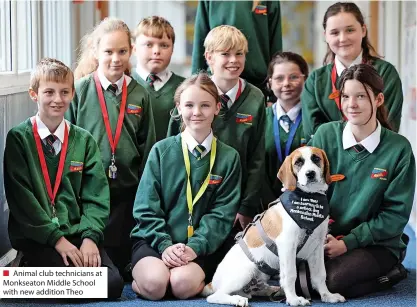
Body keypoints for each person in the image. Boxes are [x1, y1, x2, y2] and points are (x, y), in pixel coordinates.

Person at [3, 58, 124, 299]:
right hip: (39, 237)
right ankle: (21, 271)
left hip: (78, 233)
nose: (57, 99)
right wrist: (57, 240)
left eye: (64, 92)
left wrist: (90, 238)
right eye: (49, 92)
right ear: (34, 94)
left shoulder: (84, 140)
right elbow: (23, 202)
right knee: (69, 276)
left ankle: (23, 283)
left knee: (113, 284)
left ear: (72, 93)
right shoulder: (19, 138)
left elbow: (96, 196)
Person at [130, 72, 242, 300]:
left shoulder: (230, 157)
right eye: (189, 105)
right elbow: (145, 208)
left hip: (202, 245)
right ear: (179, 108)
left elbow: (222, 214)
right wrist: (164, 245)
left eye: (205, 105)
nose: (197, 112)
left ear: (217, 108)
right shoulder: (161, 151)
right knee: (155, 285)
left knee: (181, 286)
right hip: (155, 240)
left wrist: (195, 247)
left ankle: (184, 275)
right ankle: (141, 280)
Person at [310, 64, 415, 298]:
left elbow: (395, 215)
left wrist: (347, 243)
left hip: (376, 243)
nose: (351, 105)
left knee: (331, 282)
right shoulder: (325, 135)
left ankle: (393, 272)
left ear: (378, 100)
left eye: (360, 96)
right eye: (346, 96)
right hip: (325, 237)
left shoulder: (399, 149)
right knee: (295, 277)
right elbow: (309, 193)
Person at [66, 17, 156, 280]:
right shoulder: (80, 91)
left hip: (126, 193)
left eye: (122, 51)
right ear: (96, 52)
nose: (116, 59)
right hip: (87, 193)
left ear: (131, 51)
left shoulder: (140, 94)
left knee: (121, 267)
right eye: (108, 51)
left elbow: (148, 146)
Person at [169, 25, 265, 231]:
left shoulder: (256, 97)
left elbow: (257, 157)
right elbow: (172, 151)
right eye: (225, 54)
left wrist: (246, 206)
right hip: (194, 198)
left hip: (236, 203)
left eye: (239, 54)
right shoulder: (191, 94)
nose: (234, 60)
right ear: (209, 57)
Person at [302, 2, 403, 142]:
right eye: (335, 32)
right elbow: (313, 135)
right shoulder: (315, 81)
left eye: (350, 30)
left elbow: (388, 127)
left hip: (376, 159)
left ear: (363, 30)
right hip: (330, 161)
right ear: (325, 36)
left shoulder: (385, 73)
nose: (343, 38)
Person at [191, 0, 282, 98]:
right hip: (217, 86)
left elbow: (275, 45)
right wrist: (195, 86)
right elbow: (200, 42)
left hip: (258, 84)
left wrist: (274, 96)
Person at [263, 52, 309, 207]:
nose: (286, 83)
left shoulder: (314, 119)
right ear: (270, 83)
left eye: (294, 77)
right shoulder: (260, 119)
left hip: (306, 204)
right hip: (265, 205)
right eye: (279, 78)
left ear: (305, 79)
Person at [131, 16, 185, 142]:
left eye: (164, 45)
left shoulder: (185, 87)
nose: (156, 51)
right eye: (148, 45)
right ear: (134, 49)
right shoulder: (124, 84)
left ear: (172, 49)